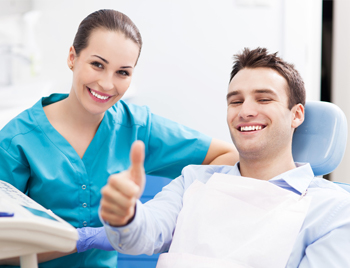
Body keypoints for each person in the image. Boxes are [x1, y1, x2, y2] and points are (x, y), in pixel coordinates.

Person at [0, 9, 238, 268]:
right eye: (97, 65)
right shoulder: (17, 141)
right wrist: (79, 240)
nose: (106, 84)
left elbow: (226, 157)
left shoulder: (137, 127)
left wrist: (160, 213)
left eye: (122, 72)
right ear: (72, 57)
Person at [100, 47, 350, 267]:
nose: (246, 111)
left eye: (263, 99)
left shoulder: (333, 210)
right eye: (236, 101)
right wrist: (126, 215)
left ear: (296, 115)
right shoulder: (194, 181)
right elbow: (144, 234)